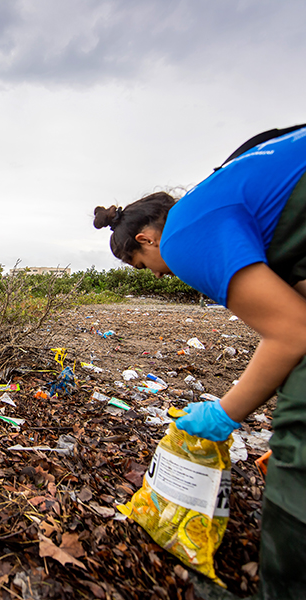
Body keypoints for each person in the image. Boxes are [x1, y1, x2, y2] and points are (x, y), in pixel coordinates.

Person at [93, 125, 306, 599]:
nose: (158, 274)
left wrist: (226, 414)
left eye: (141, 266)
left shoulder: (185, 234)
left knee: (299, 467)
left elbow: (291, 333)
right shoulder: (224, 194)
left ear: (147, 239)